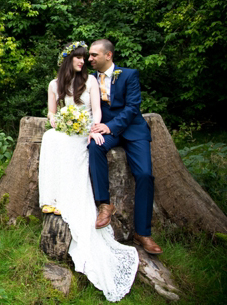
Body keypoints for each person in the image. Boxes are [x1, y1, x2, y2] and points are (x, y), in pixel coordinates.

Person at [38, 41, 139, 302]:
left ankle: (75, 200)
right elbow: (51, 113)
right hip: (65, 129)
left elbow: (97, 112)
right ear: (68, 60)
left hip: (84, 130)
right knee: (51, 138)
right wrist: (59, 121)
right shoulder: (53, 84)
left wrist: (92, 129)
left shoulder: (91, 82)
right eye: (78, 58)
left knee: (75, 146)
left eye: (85, 58)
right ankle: (54, 198)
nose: (83, 62)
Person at [87, 39, 163, 255]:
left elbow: (132, 108)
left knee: (145, 175)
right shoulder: (90, 79)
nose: (89, 59)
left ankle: (143, 233)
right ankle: (104, 204)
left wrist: (109, 127)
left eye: (94, 55)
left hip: (132, 130)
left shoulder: (129, 75)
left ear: (108, 55)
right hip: (104, 129)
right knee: (95, 148)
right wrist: (93, 129)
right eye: (89, 55)